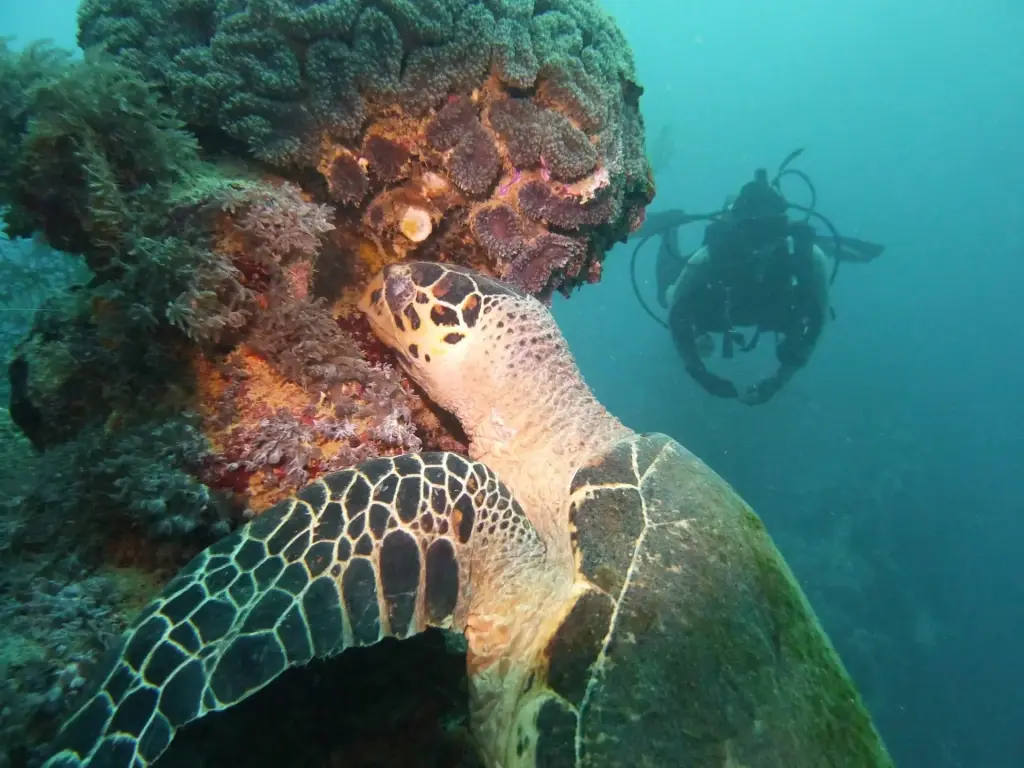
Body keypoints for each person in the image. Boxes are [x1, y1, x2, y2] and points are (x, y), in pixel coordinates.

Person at [630, 151, 884, 406]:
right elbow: (677, 312)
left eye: (770, 233)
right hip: (720, 307)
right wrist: (699, 371)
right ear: (737, 230)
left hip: (767, 308)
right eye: (753, 235)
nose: (759, 248)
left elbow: (816, 321)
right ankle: (670, 226)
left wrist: (778, 380)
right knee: (668, 295)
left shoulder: (808, 257)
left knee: (802, 316)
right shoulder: (710, 256)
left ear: (784, 229)